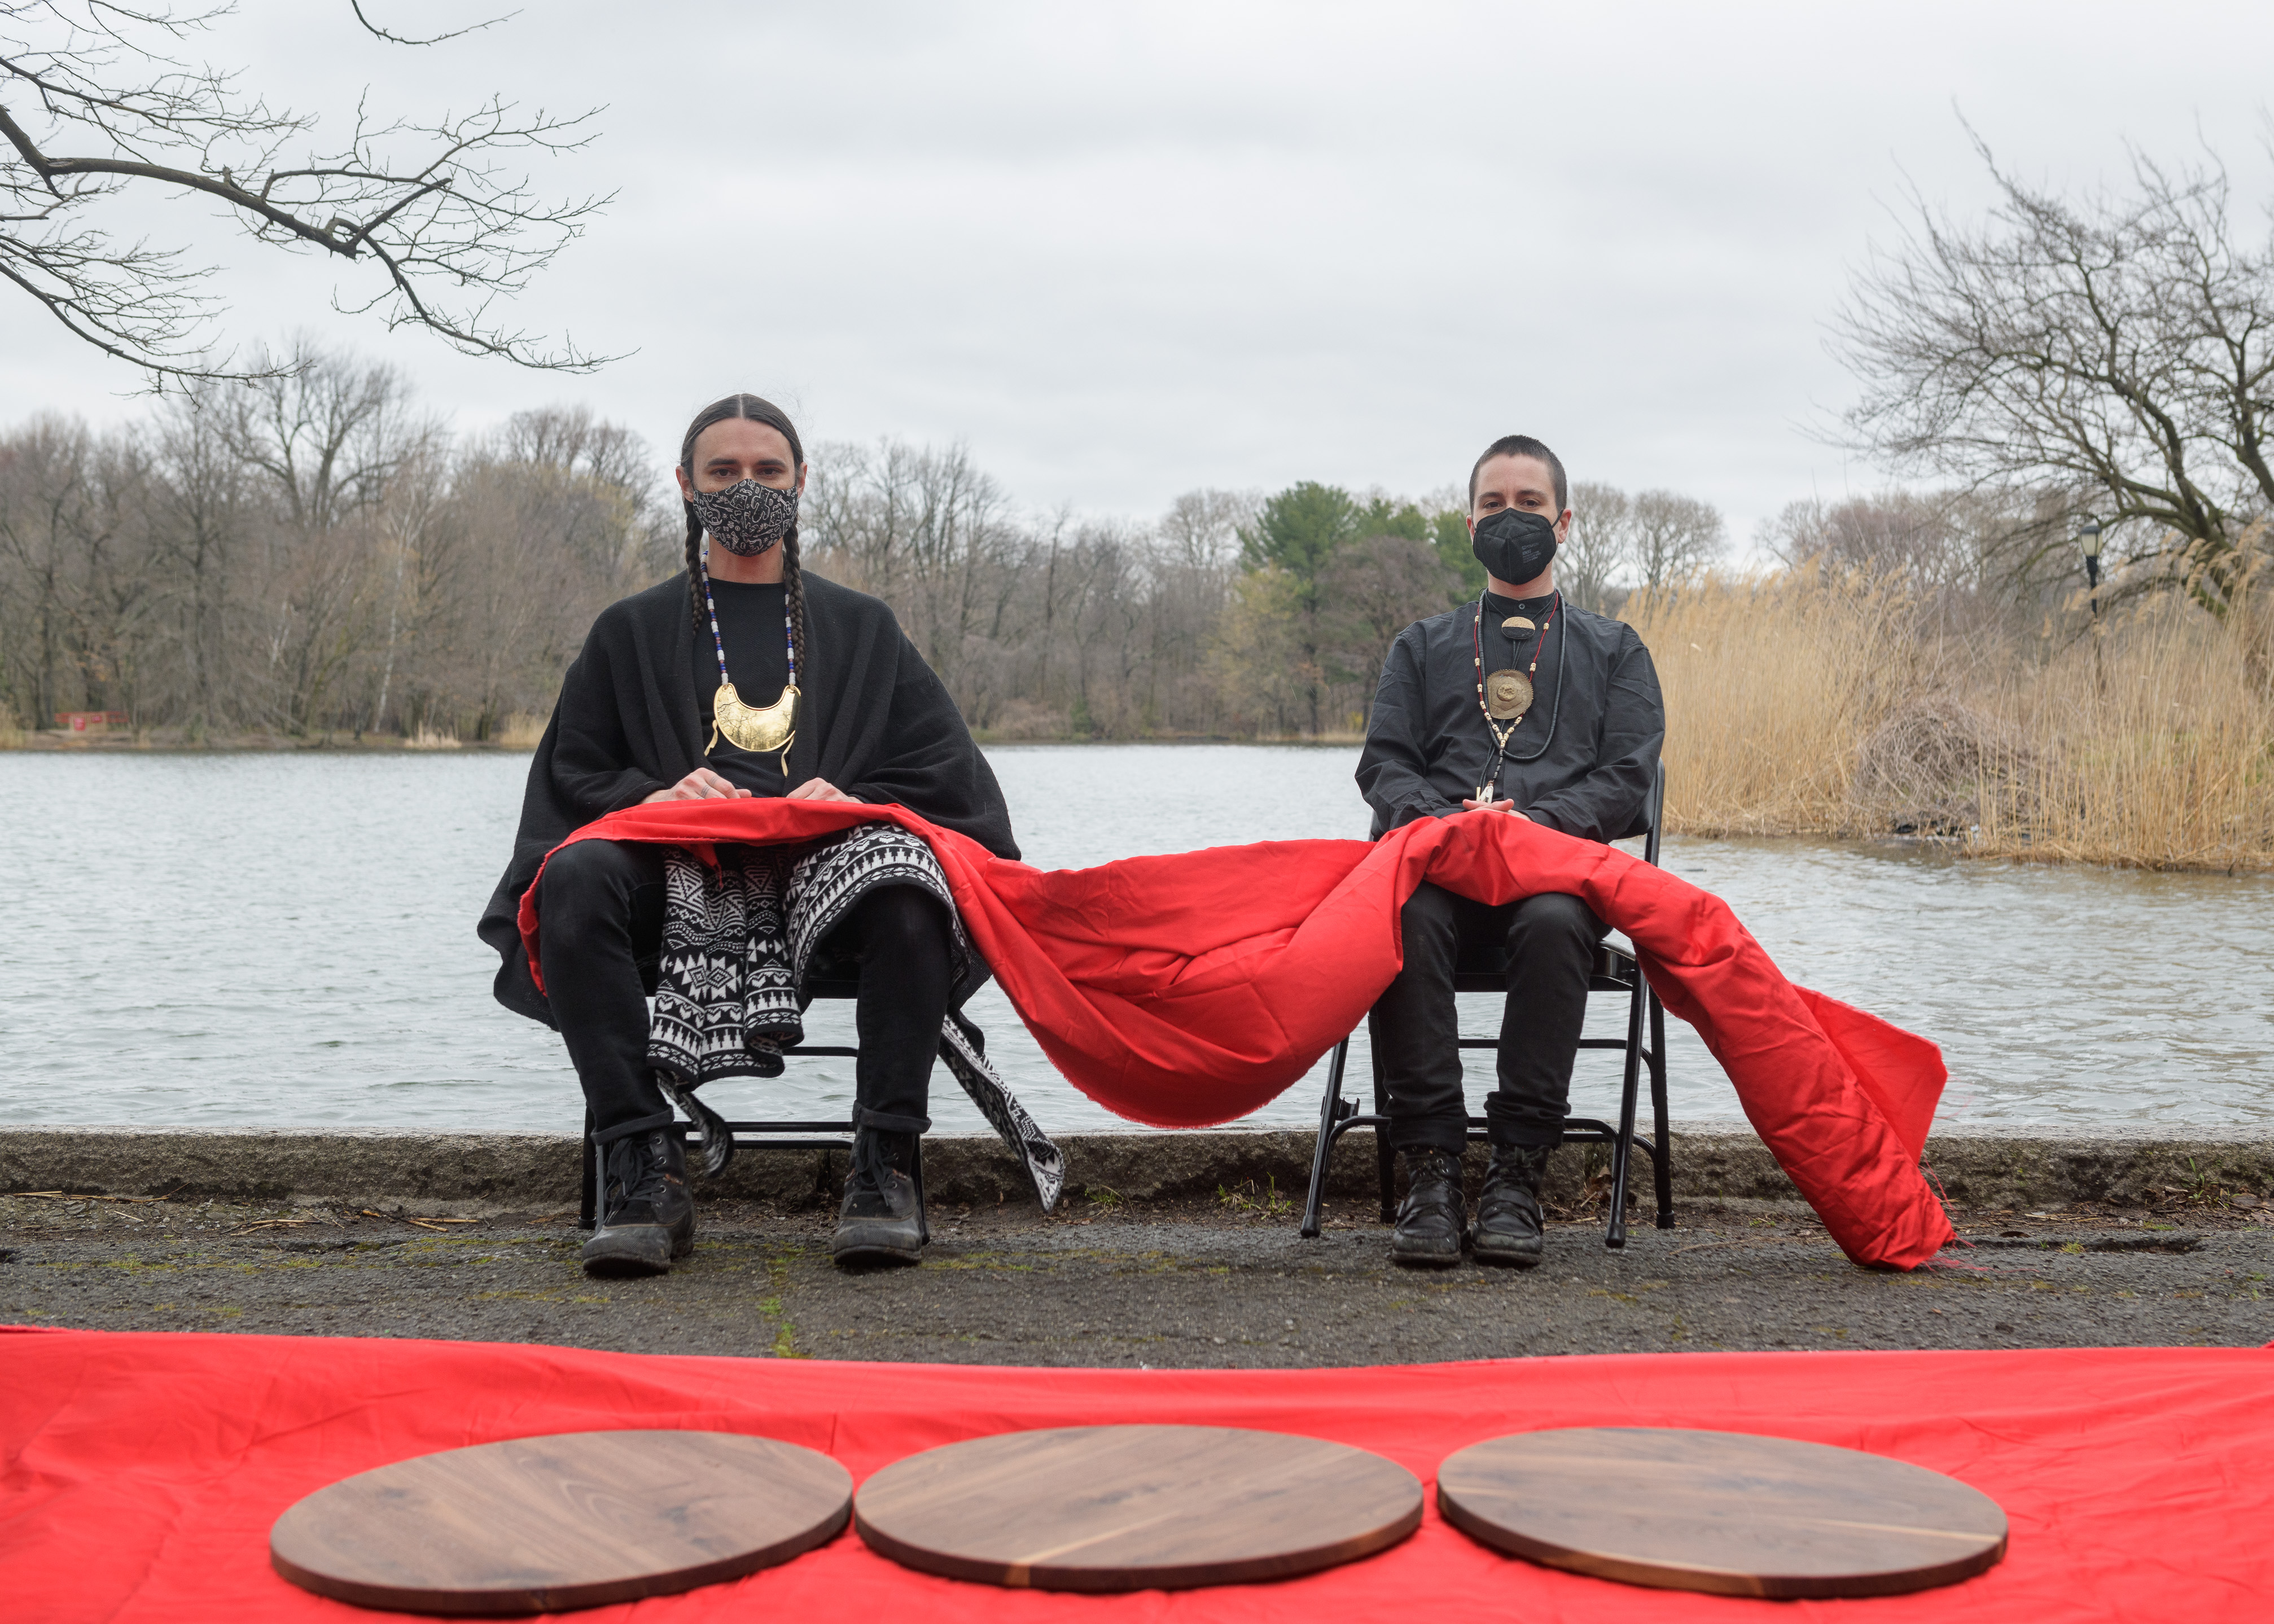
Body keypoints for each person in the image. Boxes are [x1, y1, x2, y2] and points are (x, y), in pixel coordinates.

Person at [476, 393, 1019, 1277]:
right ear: (685, 485)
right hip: (673, 874)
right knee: (571, 880)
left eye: (767, 470)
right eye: (722, 471)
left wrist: (846, 796)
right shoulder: (628, 631)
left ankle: (884, 1168)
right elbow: (574, 771)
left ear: (802, 482)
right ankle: (641, 1165)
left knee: (910, 887)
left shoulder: (862, 627)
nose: (746, 486)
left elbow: (945, 775)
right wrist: (658, 792)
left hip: (830, 880)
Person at [1355, 434, 1664, 1270]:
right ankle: (1430, 1166)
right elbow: (1383, 765)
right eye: (1493, 504)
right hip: (1441, 871)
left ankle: (1517, 1172)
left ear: (1563, 522)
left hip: (1554, 879)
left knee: (1560, 920)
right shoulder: (1419, 647)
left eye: (1528, 504)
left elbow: (1629, 780)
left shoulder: (1616, 650)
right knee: (1402, 913)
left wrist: (1532, 824)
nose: (1510, 518)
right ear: (1468, 525)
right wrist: (1449, 823)